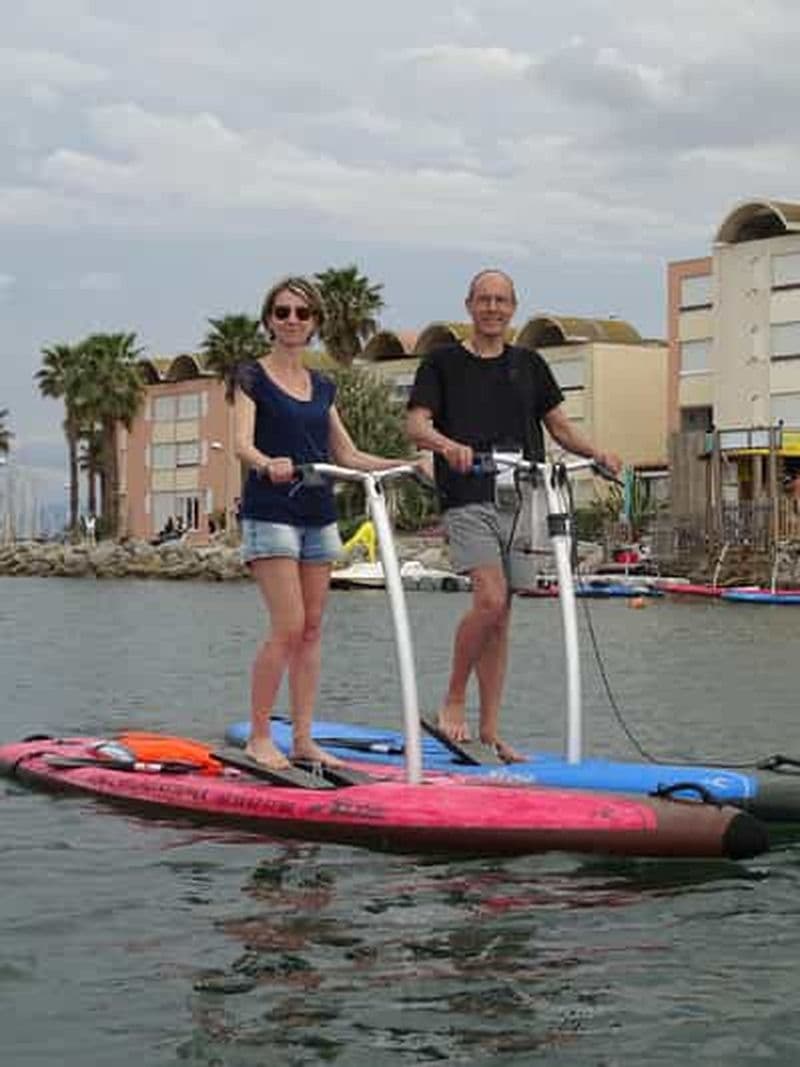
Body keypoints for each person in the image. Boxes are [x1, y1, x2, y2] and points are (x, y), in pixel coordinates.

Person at [406, 269, 622, 761]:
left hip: (522, 497)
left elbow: (561, 428)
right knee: (489, 598)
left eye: (501, 300)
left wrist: (599, 453)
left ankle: (491, 732)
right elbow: (417, 424)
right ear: (469, 306)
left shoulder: (529, 364)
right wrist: (447, 445)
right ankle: (453, 699)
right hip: (468, 495)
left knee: (502, 617)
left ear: (513, 308)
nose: (493, 308)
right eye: (484, 300)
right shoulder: (442, 364)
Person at [235, 274, 425, 769]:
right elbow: (241, 441)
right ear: (269, 320)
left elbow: (348, 454)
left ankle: (302, 738)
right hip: (272, 509)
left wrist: (405, 465)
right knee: (288, 624)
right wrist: (266, 462)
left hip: (319, 514)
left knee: (313, 628)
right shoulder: (251, 376)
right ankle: (259, 736)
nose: (292, 321)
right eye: (282, 312)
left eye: (302, 313)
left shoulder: (322, 386)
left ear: (315, 322)